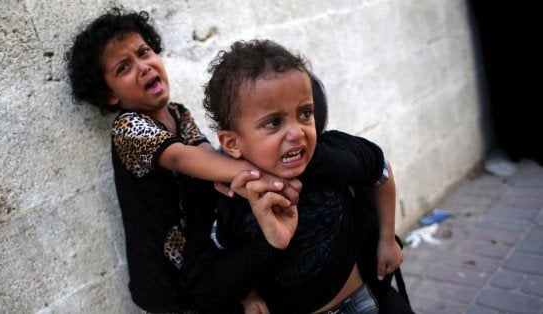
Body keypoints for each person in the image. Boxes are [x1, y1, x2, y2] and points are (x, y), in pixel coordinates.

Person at [65, 8, 299, 313]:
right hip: (167, 282)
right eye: (124, 67)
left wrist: (240, 177)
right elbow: (181, 158)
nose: (143, 67)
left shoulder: (178, 113)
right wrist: (263, 176)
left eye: (144, 52)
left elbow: (206, 157)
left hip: (203, 262)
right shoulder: (127, 127)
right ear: (109, 94)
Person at [182, 39, 405, 313]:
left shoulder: (331, 157)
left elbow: (380, 170)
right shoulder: (232, 195)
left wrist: (387, 239)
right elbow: (223, 268)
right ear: (232, 143)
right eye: (274, 122)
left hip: (362, 300)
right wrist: (248, 296)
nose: (297, 132)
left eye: (305, 113)